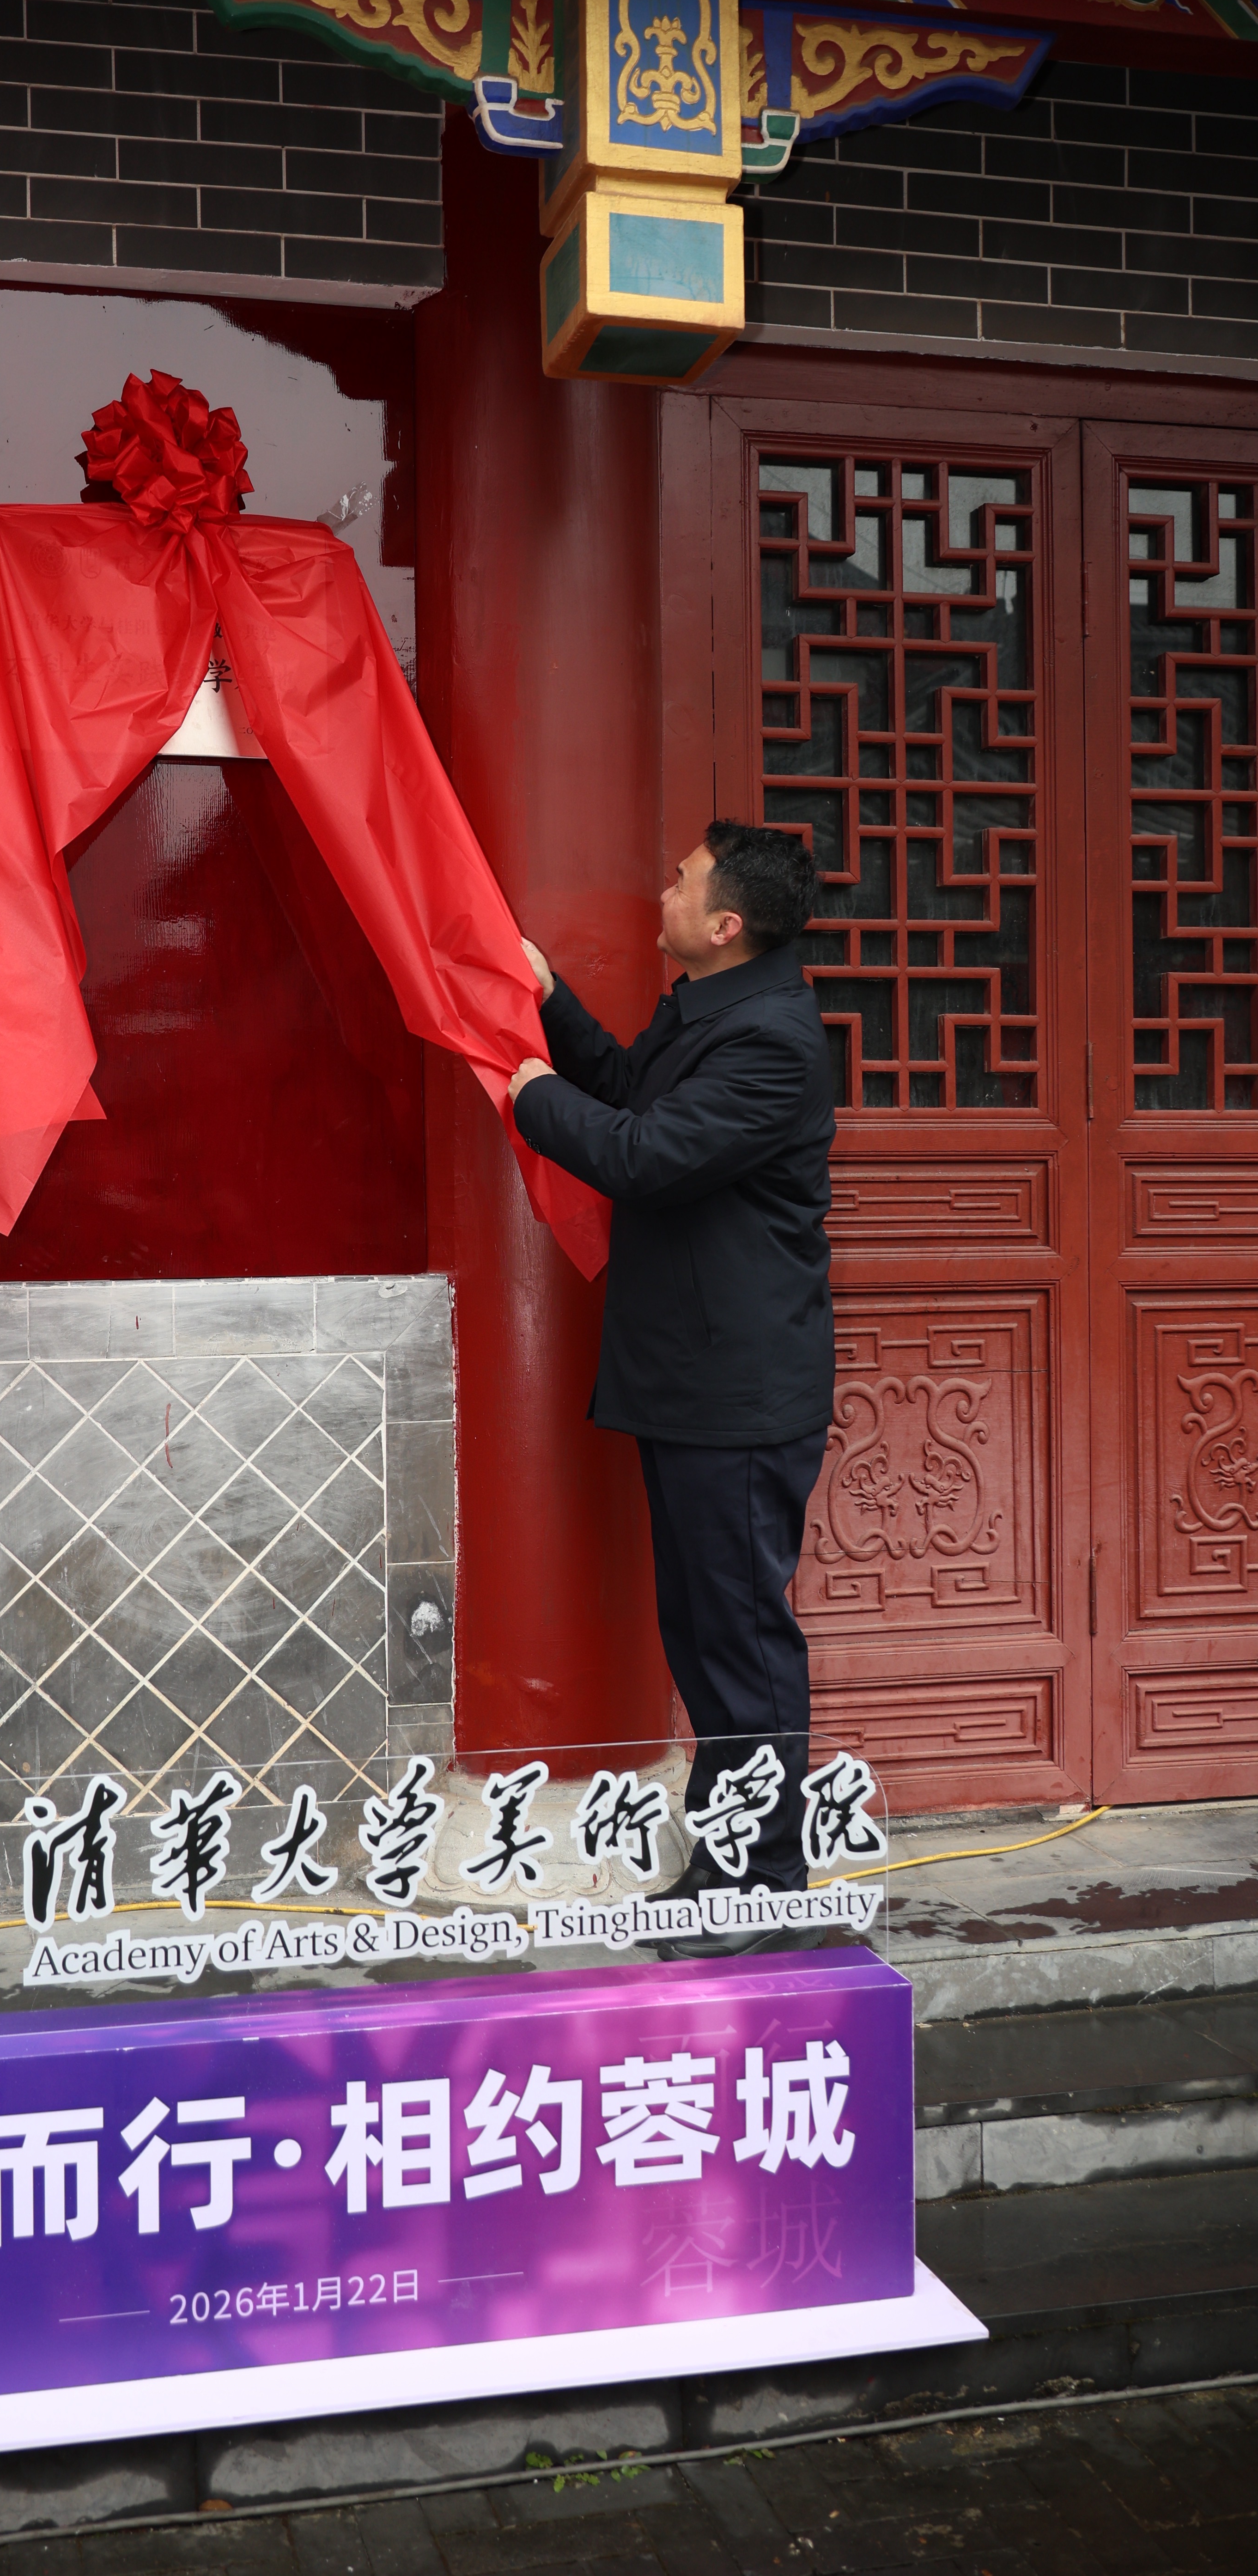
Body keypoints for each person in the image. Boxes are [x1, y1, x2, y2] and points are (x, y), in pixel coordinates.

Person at [509, 821, 835, 1959]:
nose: (664, 891)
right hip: (691, 1379)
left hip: (736, 1391)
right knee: (702, 1635)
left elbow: (642, 1157)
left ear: (726, 923)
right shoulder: (709, 1008)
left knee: (737, 1640)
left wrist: (528, 1096)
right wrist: (548, 1003)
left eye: (682, 882)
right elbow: (627, 1094)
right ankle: (729, 1864)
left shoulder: (773, 1043)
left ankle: (763, 1882)